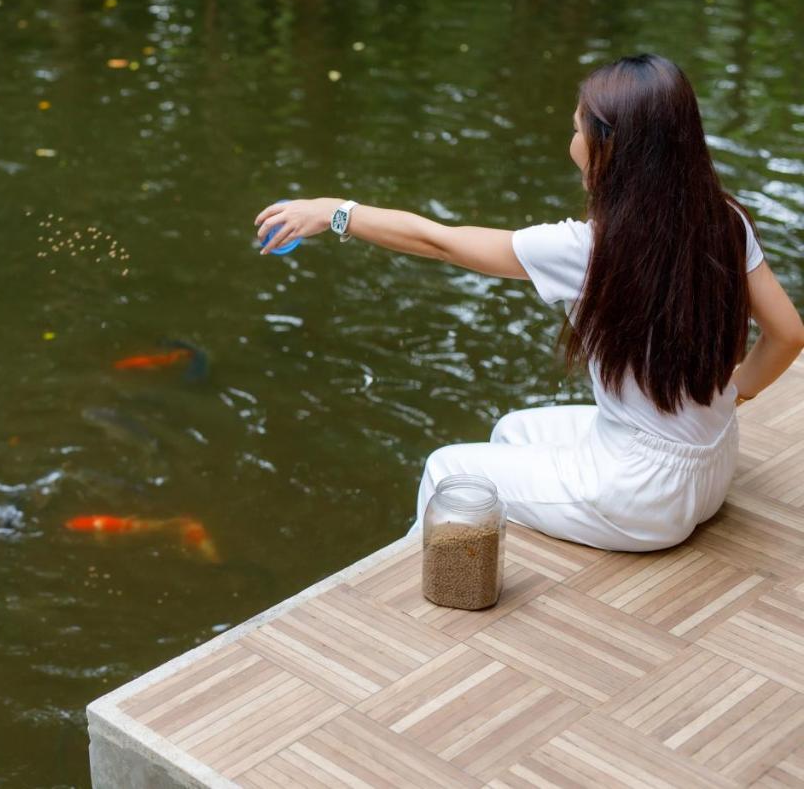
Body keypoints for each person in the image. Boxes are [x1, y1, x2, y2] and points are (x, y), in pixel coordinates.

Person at [253, 53, 804, 552]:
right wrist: (733, 394)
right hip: (710, 464)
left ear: (608, 147)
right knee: (514, 432)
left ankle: (422, 610)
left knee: (446, 472)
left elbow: (440, 241)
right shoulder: (725, 221)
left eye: (575, 128)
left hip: (644, 494)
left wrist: (335, 210)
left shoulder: (589, 249)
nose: (571, 141)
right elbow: (788, 334)